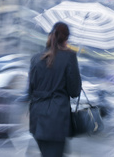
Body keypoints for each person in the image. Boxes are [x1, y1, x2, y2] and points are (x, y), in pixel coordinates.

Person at [28, 22, 81, 157]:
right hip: (57, 120)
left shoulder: (35, 58)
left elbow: (30, 90)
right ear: (66, 39)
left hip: (37, 119)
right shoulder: (69, 57)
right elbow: (74, 91)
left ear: (51, 36)